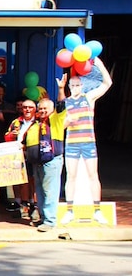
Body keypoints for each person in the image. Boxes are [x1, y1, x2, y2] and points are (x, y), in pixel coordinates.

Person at [61, 57, 112, 225]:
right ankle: (70, 211)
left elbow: (107, 83)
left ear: (82, 86)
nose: (75, 88)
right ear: (69, 87)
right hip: (71, 144)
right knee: (71, 177)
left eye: (77, 85)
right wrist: (68, 120)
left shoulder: (89, 98)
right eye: (72, 85)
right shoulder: (66, 103)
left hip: (88, 143)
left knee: (93, 176)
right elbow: (60, 126)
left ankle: (97, 210)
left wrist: (100, 64)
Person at [27, 80, 68, 232]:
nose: (42, 111)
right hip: (37, 163)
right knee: (40, 191)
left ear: (51, 110)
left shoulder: (55, 120)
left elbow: (62, 105)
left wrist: (61, 88)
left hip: (51, 161)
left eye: (45, 108)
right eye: (41, 108)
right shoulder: (36, 124)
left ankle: (50, 221)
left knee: (50, 190)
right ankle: (44, 218)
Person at [4, 98, 38, 219]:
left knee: (34, 181)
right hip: (18, 155)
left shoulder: (39, 122)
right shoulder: (16, 122)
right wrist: (11, 135)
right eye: (25, 107)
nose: (27, 110)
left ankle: (35, 207)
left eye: (30, 107)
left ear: (35, 109)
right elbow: (7, 137)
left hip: (34, 155)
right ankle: (23, 207)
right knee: (22, 181)